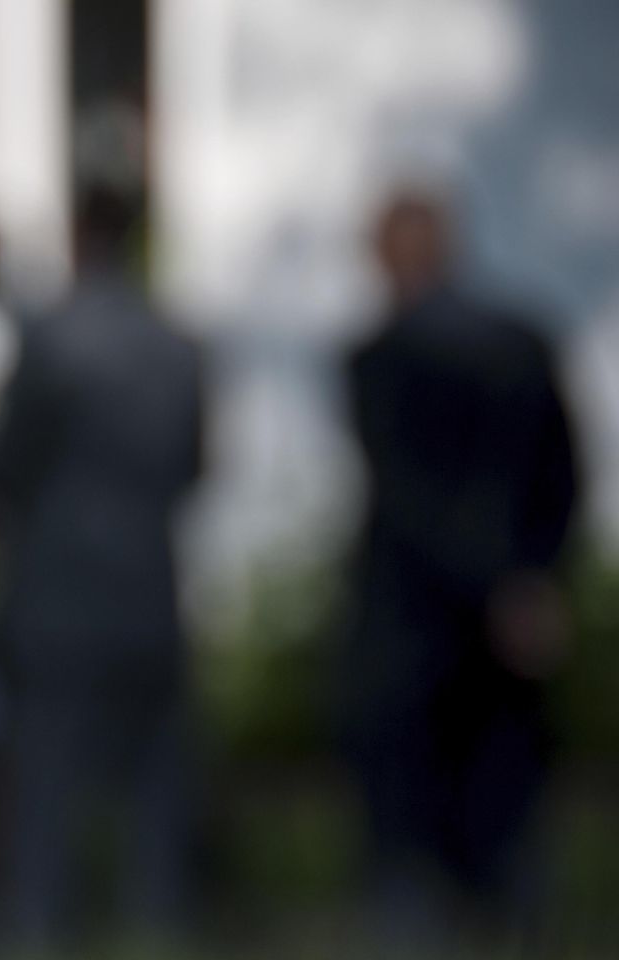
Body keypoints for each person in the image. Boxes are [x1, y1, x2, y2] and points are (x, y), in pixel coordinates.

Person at [344, 192, 579, 943]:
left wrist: (494, 582)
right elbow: (564, 473)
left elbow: (408, 493)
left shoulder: (379, 358)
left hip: (413, 618)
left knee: (415, 828)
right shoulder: (521, 339)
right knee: (504, 802)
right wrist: (529, 578)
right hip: (509, 610)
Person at [0, 185, 203, 949]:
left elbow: (7, 468)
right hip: (148, 582)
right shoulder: (178, 344)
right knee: (154, 783)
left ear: (79, 239)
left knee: (44, 776)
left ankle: (36, 926)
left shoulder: (49, 341)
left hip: (59, 583)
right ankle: (156, 925)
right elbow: (196, 467)